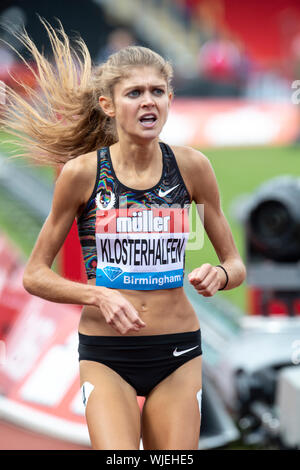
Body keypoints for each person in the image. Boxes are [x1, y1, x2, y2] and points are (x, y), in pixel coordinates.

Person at [1, 19, 246, 450]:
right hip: (106, 352)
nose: (147, 101)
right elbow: (35, 275)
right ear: (109, 104)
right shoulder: (82, 174)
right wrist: (98, 295)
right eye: (134, 93)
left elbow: (235, 264)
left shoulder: (192, 168)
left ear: (170, 99)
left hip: (177, 349)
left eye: (157, 91)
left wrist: (219, 275)